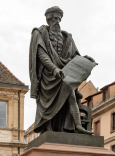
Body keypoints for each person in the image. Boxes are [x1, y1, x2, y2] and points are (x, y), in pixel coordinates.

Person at [29, 6, 95, 135]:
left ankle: (78, 125)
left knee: (71, 96)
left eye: (59, 18)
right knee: (46, 104)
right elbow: (42, 54)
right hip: (48, 74)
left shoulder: (67, 37)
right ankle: (47, 130)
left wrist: (84, 59)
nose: (56, 21)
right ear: (48, 19)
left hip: (64, 72)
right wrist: (54, 69)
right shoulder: (39, 33)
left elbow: (74, 55)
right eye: (53, 18)